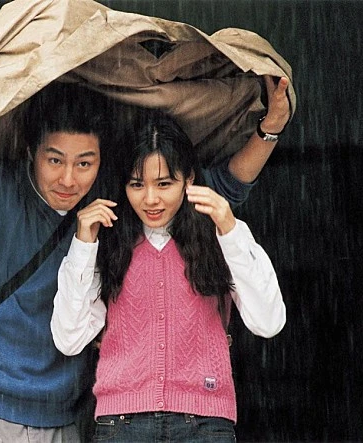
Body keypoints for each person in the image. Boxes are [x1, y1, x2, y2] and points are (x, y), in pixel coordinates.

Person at [0, 77, 289, 442]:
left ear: (101, 162)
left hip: (55, 418)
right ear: (31, 151)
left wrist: (270, 130)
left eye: (84, 163)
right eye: (55, 160)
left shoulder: (113, 209)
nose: (68, 179)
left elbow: (219, 188)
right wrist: (0, 75)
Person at [50, 109, 287, 442]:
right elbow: (69, 340)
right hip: (121, 427)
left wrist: (230, 229)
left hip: (205, 425)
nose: (150, 199)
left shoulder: (218, 235)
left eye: (164, 184)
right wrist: (83, 245)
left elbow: (269, 322)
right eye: (137, 184)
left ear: (188, 179)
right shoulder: (108, 242)